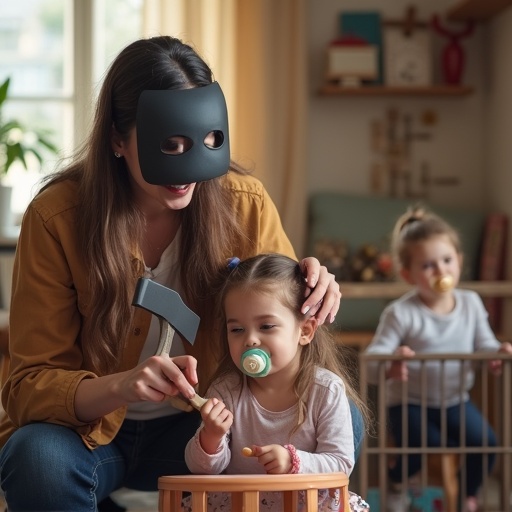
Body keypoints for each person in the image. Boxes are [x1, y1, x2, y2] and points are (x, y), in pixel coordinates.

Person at [0, 36, 355, 512]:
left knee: (342, 416)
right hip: (91, 435)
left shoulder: (244, 206)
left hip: (208, 426)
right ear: (117, 140)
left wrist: (310, 286)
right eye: (169, 145)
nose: (186, 168)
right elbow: (29, 386)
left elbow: (284, 335)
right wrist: (121, 385)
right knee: (36, 459)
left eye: (207, 142)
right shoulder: (56, 219)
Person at [184, 253, 369, 512]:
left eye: (267, 326)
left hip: (306, 503)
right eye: (236, 330)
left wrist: (293, 462)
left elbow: (340, 463)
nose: (250, 340)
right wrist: (211, 438)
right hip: (242, 505)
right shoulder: (226, 390)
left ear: (304, 331)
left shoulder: (326, 390)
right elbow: (201, 469)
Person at [364, 206, 512, 512]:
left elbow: (484, 343)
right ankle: (396, 482)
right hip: (408, 401)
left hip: (455, 399)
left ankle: (465, 494)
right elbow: (373, 359)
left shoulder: (471, 303)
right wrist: (392, 361)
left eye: (446, 261)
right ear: (408, 274)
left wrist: (495, 354)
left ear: (459, 261)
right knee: (419, 445)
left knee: (485, 443)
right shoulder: (401, 312)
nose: (441, 271)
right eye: (428, 265)